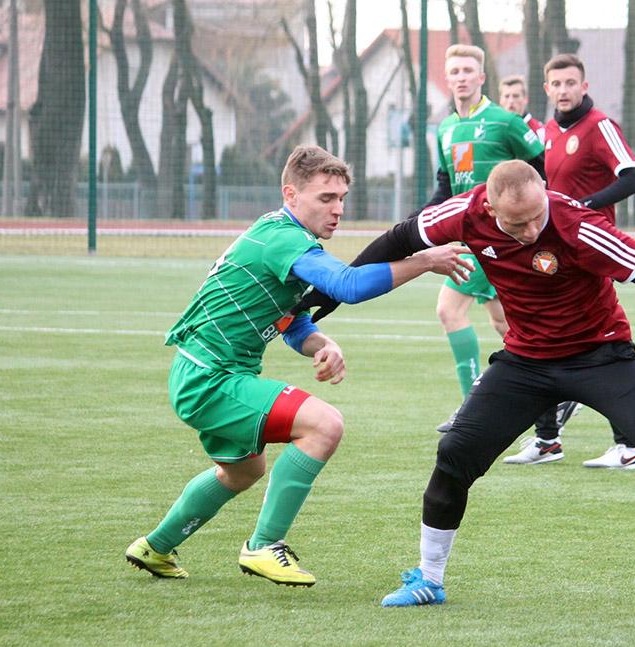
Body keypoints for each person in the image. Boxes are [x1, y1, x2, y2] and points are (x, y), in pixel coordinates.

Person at [339, 161, 635, 607]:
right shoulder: (464, 212)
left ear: (543, 189)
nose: (531, 230)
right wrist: (334, 289)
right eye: (516, 224)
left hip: (602, 356)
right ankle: (429, 579)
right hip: (525, 362)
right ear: (490, 208)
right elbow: (399, 237)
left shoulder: (579, 226)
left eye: (537, 216)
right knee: (455, 453)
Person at [124, 145, 471, 587]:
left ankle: (155, 546)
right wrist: (422, 261)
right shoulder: (283, 238)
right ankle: (264, 546)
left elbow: (289, 322)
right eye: (326, 198)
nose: (338, 209)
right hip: (210, 377)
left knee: (242, 471)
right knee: (325, 425)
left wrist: (320, 343)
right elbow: (348, 284)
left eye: (342, 197)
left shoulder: (284, 238)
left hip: (208, 374)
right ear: (291, 194)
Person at [504, 52, 635, 469]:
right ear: (547, 89)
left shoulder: (600, 126)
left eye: (571, 83)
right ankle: (547, 438)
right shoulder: (548, 130)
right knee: (542, 331)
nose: (564, 90)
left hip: (589, 248)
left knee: (602, 340)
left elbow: (633, 176)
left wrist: (583, 206)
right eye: (556, 84)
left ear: (584, 86)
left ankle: (629, 445)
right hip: (554, 249)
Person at [422, 45, 546, 433]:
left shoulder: (505, 122)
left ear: (481, 77)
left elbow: (542, 167)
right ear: (448, 79)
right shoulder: (444, 128)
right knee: (506, 325)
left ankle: (470, 409)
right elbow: (447, 186)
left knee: (449, 310)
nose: (460, 77)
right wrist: (420, 222)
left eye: (467, 70)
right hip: (467, 234)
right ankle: (554, 394)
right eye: (454, 70)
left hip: (495, 236)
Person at [498, 74, 545, 143]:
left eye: (516, 96)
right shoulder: (494, 129)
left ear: (525, 99)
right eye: (507, 96)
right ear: (500, 100)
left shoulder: (539, 131)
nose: (511, 101)